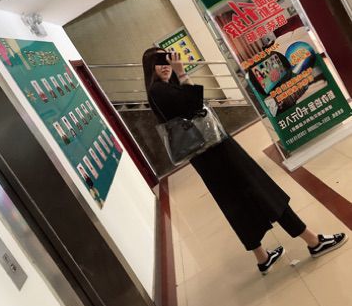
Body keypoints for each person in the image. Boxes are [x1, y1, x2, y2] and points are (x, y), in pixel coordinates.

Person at [142, 47, 348, 275]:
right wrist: (182, 73)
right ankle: (313, 241)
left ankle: (263, 258)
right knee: (263, 189)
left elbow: (189, 106)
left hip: (206, 157)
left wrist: (179, 79)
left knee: (235, 204)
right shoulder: (159, 91)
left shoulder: (162, 89)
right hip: (218, 151)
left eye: (168, 60)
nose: (166, 66)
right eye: (159, 62)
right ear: (149, 67)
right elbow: (195, 105)